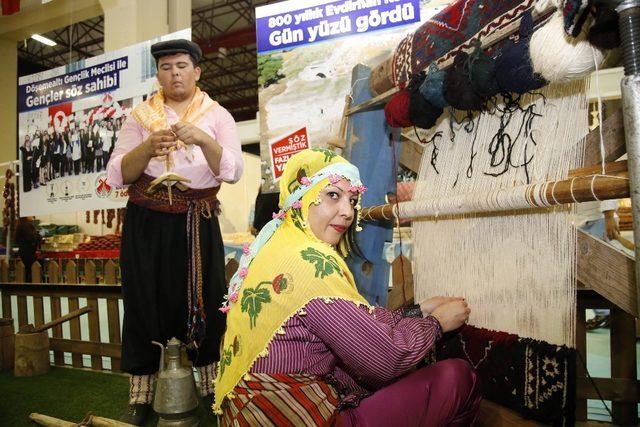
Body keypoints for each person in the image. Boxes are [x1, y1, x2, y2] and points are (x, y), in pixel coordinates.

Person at [213, 148, 481, 426]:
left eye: (352, 200)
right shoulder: (310, 262)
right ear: (301, 199)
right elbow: (384, 359)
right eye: (332, 195)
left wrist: (416, 312)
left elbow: (351, 323)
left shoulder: (275, 246)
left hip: (252, 415)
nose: (347, 212)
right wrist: (436, 323)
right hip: (293, 416)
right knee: (457, 377)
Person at [106, 39, 244, 425]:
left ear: (197, 71)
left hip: (196, 217)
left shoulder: (216, 115)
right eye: (166, 67)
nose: (174, 73)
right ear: (159, 74)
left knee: (207, 295)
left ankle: (211, 385)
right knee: (142, 298)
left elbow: (232, 171)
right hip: (146, 218)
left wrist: (202, 138)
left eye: (182, 66)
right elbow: (119, 173)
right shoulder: (141, 117)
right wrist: (148, 147)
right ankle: (141, 394)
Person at [14, 217, 41, 283]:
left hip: (24, 251)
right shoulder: (25, 225)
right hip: (28, 252)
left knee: (27, 271)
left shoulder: (21, 225)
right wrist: (40, 236)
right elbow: (32, 238)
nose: (33, 216)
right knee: (30, 271)